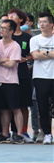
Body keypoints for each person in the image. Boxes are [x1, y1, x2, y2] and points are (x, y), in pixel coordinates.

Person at [0, 19, 24, 143]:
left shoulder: (15, 46)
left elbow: (12, 64)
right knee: (3, 109)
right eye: (1, 27)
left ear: (11, 31)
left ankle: (19, 134)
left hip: (11, 81)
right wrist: (4, 60)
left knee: (15, 108)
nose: (1, 30)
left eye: (4, 28)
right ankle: (4, 134)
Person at [8, 8, 34, 142]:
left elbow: (33, 55)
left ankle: (23, 132)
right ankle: (8, 132)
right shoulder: (4, 35)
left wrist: (26, 59)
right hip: (7, 74)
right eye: (8, 15)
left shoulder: (27, 38)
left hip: (22, 73)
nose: (10, 17)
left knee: (23, 104)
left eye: (13, 15)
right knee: (9, 105)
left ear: (21, 19)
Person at [31, 12, 54, 145]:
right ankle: (47, 134)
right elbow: (35, 56)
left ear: (51, 24)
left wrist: (44, 52)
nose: (41, 24)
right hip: (40, 76)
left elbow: (40, 54)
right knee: (43, 107)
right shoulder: (35, 40)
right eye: (40, 22)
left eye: (44, 22)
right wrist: (50, 54)